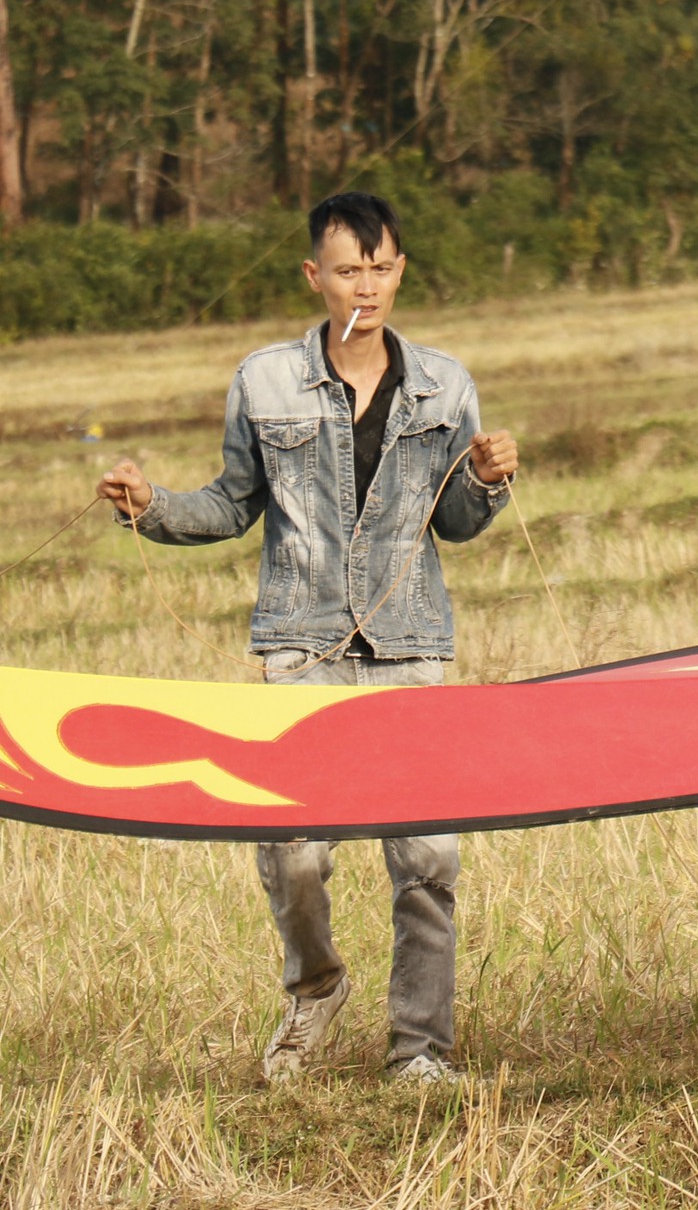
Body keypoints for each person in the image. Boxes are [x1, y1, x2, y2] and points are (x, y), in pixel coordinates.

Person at [98, 192, 518, 1087]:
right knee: (293, 847)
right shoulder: (264, 381)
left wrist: (487, 480)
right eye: (345, 269)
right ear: (314, 277)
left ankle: (420, 1051)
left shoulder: (448, 384)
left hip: (410, 646)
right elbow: (231, 502)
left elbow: (459, 521)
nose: (364, 284)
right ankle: (317, 982)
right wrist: (153, 505)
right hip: (303, 647)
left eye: (380, 267)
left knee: (427, 859)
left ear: (400, 270)